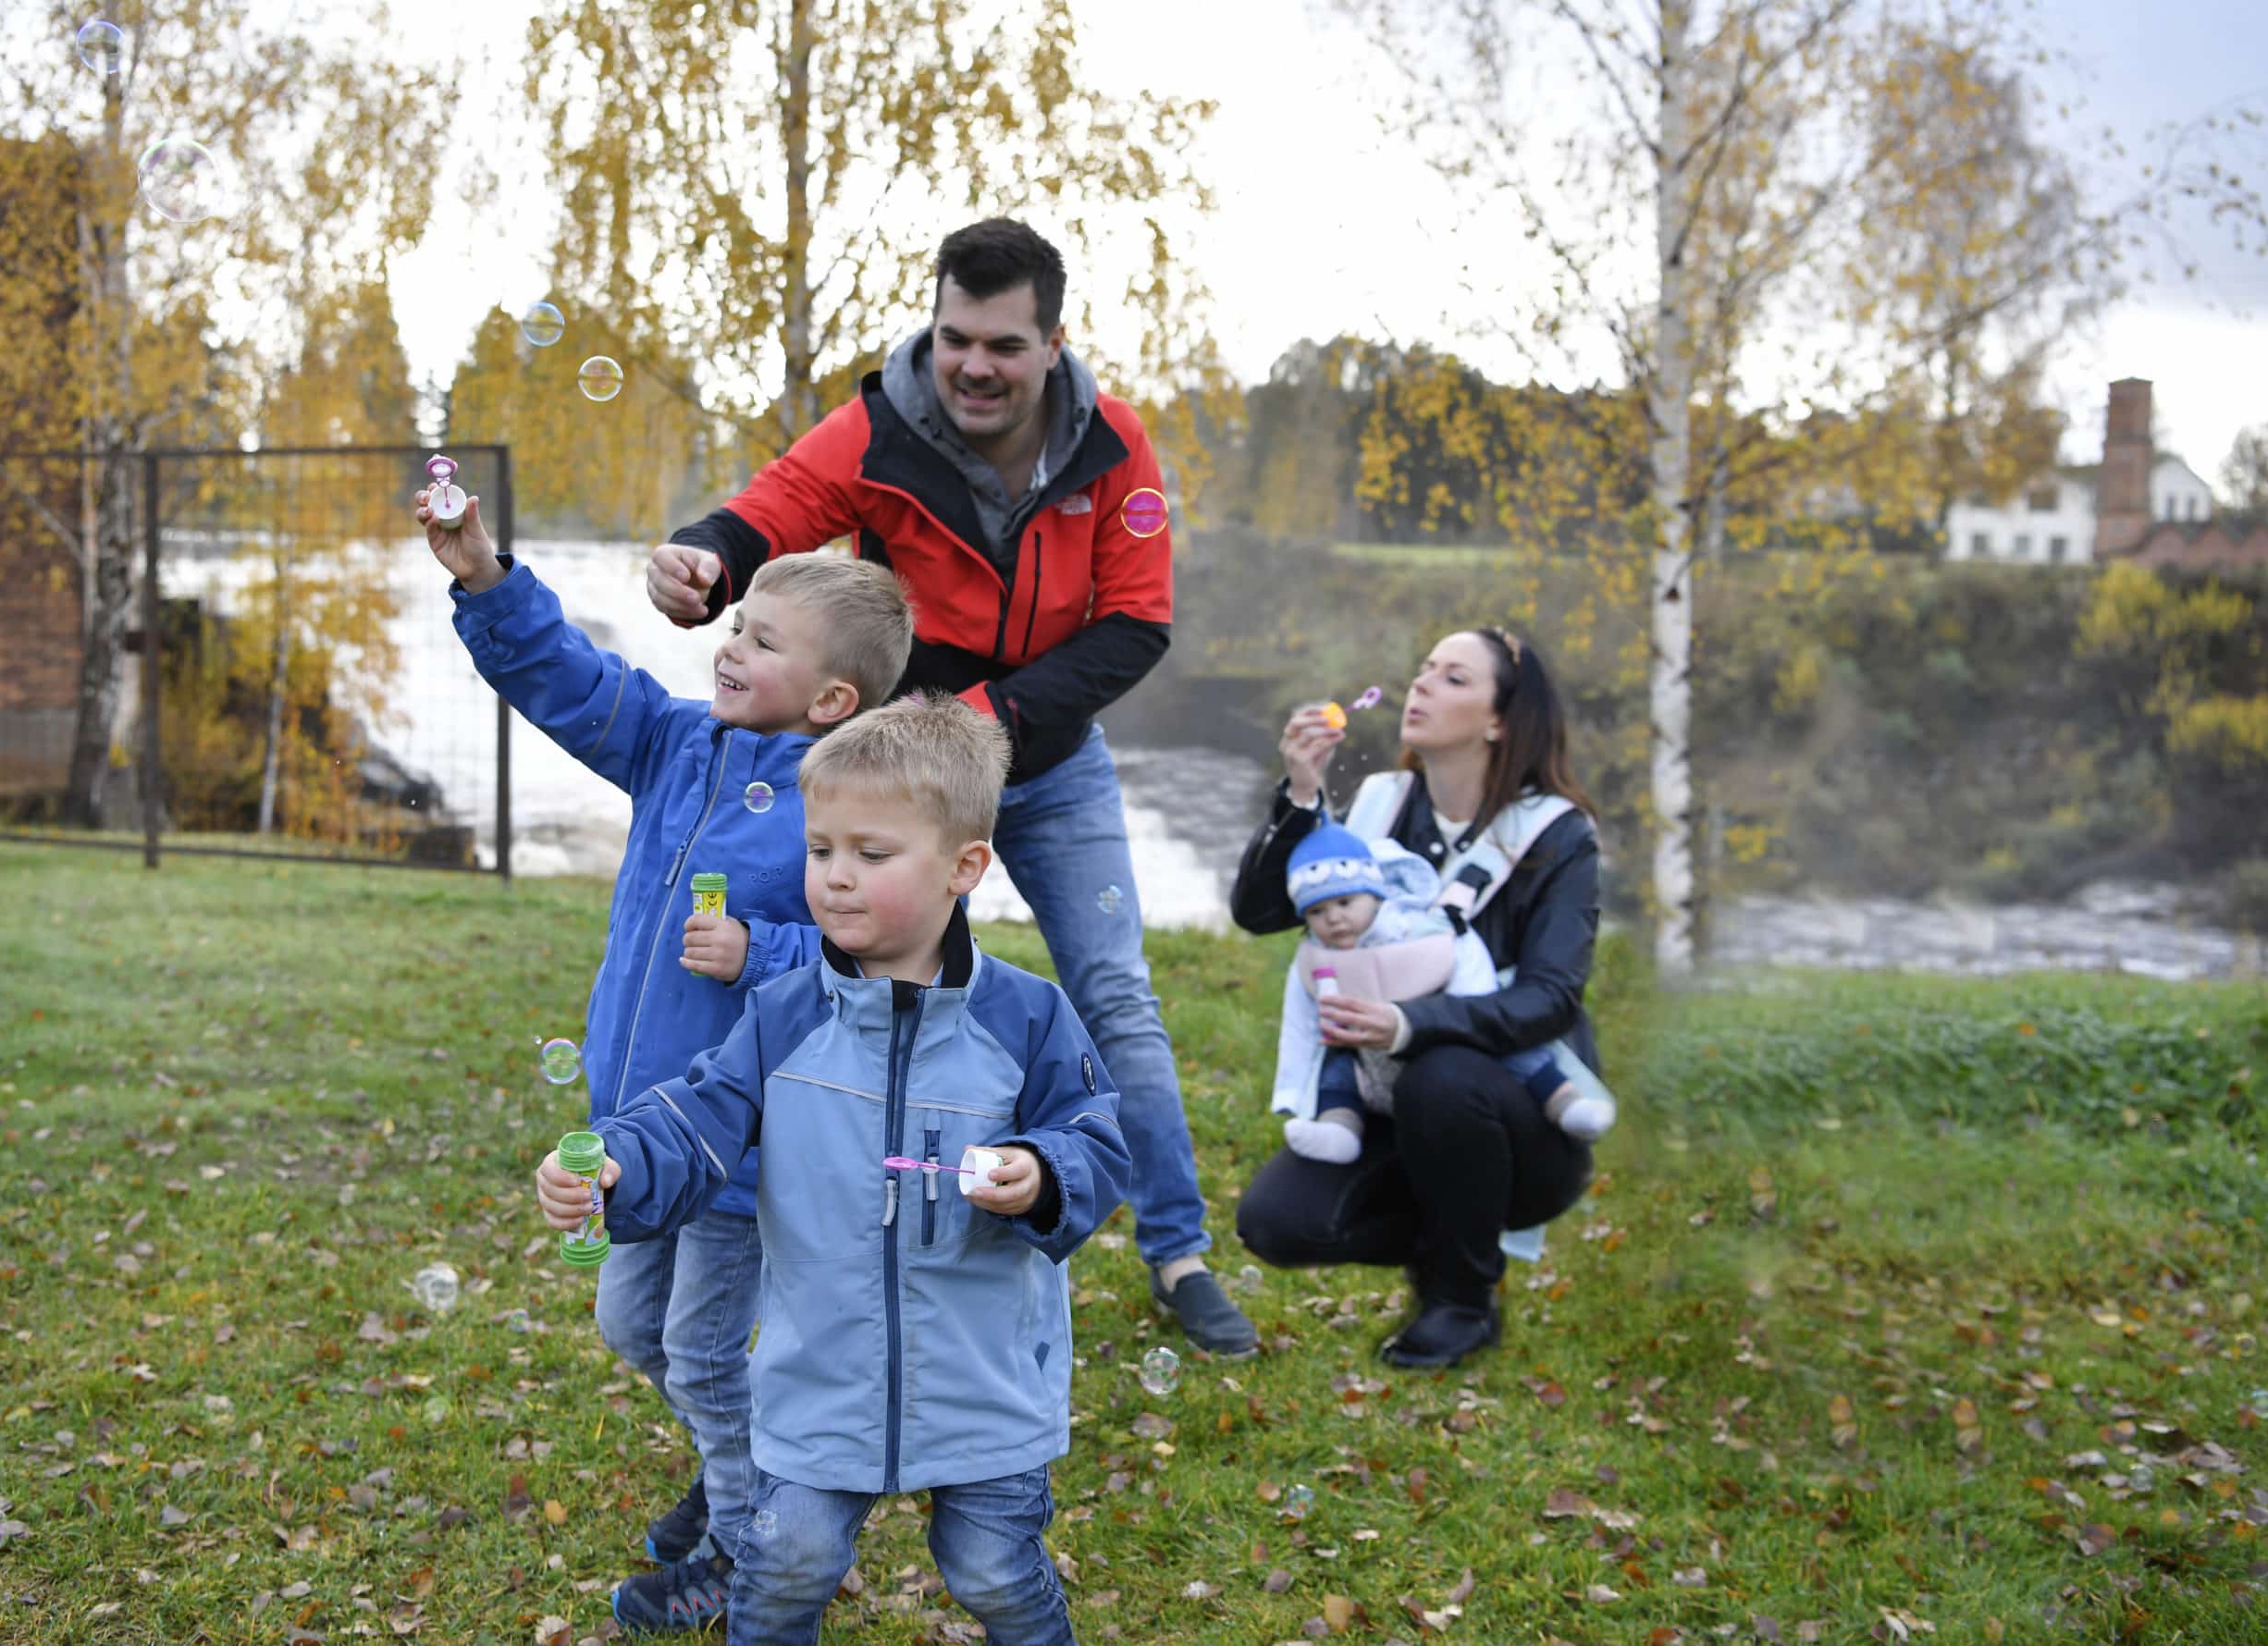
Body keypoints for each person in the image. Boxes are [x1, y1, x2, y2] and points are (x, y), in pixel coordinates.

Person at [639, 216, 1256, 1357]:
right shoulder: (881, 423)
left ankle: (1177, 1249)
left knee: (1114, 998)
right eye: (954, 337)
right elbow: (773, 507)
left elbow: (1136, 628)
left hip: (1052, 761)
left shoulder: (1115, 447)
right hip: (906, 781)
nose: (974, 366)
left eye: (1004, 346)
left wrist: (987, 720)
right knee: (866, 997)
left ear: (1053, 344)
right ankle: (865, 1232)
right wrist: (704, 557)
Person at [534, 697, 1129, 1646]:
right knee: (785, 1566)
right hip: (820, 1376)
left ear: (964, 868)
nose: (835, 879)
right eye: (821, 851)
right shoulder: (781, 1014)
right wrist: (616, 1166)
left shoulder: (1026, 1016)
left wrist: (1041, 1170)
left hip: (983, 1379)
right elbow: (693, 1118)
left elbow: (1097, 1135)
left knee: (993, 1569)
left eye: (871, 854)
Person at [420, 487, 914, 1630]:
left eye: (762, 641)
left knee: (698, 1351)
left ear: (833, 698)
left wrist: (761, 949)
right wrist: (485, 575)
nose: (731, 647)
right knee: (633, 1330)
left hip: (745, 1142)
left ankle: (752, 1555)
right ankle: (735, 1454)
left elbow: (879, 957)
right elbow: (567, 678)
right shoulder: (676, 746)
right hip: (643, 1125)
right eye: (735, 629)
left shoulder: (840, 805)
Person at [1230, 628, 1602, 1370]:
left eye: (1454, 678)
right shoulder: (1378, 807)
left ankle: (1462, 1298)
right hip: (1385, 1104)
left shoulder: (1559, 837)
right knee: (1276, 1224)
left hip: (1522, 1121)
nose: (1423, 685)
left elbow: (1552, 999)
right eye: (1425, 669)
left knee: (1443, 1073)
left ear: (1501, 719)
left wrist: (1410, 1023)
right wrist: (1303, 795)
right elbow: (1261, 913)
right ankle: (1448, 1225)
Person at [1273, 822, 1614, 1165]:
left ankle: (1565, 1101)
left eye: (1345, 902)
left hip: (1445, 1042)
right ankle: (1340, 1128)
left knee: (1518, 1053)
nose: (1334, 919)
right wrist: (1290, 1089)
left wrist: (1465, 1013)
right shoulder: (1314, 959)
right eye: (1317, 911)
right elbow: (1298, 1026)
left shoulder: (1418, 927)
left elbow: (1467, 960)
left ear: (1374, 893)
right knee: (1333, 1064)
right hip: (1366, 1055)